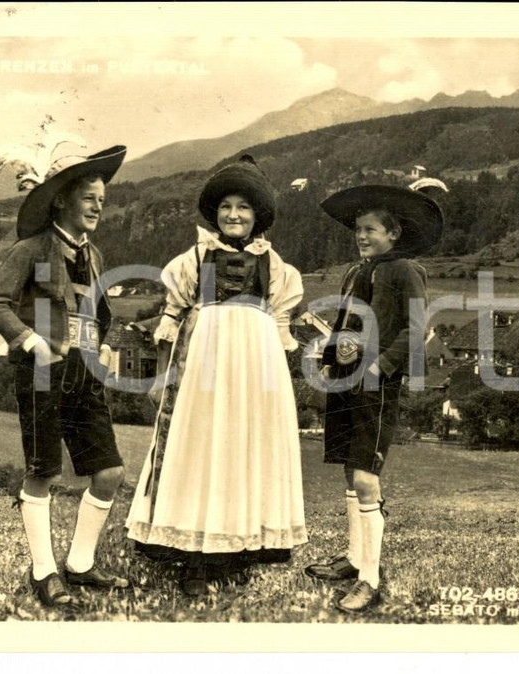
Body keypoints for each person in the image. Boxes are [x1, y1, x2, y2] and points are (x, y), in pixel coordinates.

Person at [126, 155, 307, 597]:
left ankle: (236, 551)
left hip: (256, 367)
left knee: (245, 450)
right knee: (201, 448)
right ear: (215, 213)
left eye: (243, 207)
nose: (233, 215)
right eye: (226, 206)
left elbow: (281, 328)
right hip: (204, 366)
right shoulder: (194, 259)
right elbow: (169, 322)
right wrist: (159, 381)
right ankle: (193, 560)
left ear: (257, 215)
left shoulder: (276, 266)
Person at [0, 140, 130, 609]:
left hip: (85, 376)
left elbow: (102, 310)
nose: (97, 207)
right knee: (43, 470)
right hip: (42, 376)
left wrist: (104, 343)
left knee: (109, 472)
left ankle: (80, 565)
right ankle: (44, 572)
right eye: (89, 198)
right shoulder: (30, 249)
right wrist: (29, 341)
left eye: (102, 201)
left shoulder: (96, 255)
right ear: (61, 199)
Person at [304, 184, 443, 613]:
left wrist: (381, 367)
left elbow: (415, 331)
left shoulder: (405, 271)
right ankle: (353, 557)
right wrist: (330, 360)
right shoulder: (356, 272)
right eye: (358, 230)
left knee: (366, 475)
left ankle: (369, 578)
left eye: (371, 229)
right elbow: (346, 322)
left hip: (376, 385)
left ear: (394, 233)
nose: (362, 236)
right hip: (346, 380)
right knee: (350, 468)